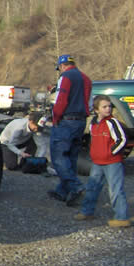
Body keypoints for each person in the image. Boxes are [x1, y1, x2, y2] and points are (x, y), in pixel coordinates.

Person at [74, 95, 130, 227]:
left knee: (115, 190)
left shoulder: (112, 122)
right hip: (97, 163)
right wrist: (95, 153)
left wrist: (110, 153)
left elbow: (122, 140)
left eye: (109, 106)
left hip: (112, 163)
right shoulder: (93, 123)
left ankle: (122, 218)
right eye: (104, 107)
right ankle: (87, 212)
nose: (108, 109)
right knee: (92, 187)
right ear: (97, 109)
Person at [48, 54, 92, 206]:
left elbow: (61, 100)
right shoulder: (86, 79)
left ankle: (76, 187)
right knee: (71, 157)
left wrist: (55, 118)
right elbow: (88, 102)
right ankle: (63, 191)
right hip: (81, 121)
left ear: (62, 66)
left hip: (66, 121)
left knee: (58, 157)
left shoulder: (65, 77)